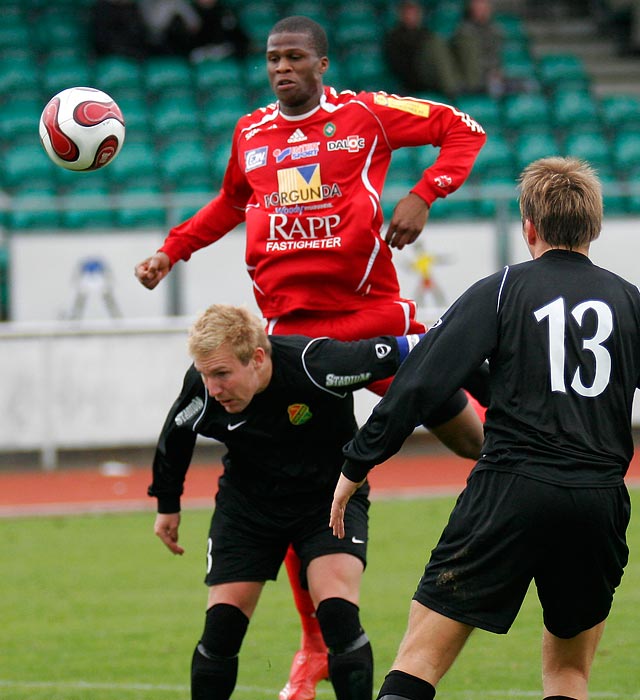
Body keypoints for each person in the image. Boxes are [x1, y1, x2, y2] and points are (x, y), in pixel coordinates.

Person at [135, 15, 486, 700]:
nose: (282, 68)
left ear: (323, 63)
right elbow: (228, 204)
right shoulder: (251, 134)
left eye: (295, 57)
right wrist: (171, 249)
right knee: (292, 489)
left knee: (469, 433)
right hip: (287, 338)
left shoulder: (366, 114)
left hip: (370, 315)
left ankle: (528, 478)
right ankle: (316, 645)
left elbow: (462, 128)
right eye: (273, 59)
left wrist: (423, 193)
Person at [330, 156, 635, 700]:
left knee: (420, 657)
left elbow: (422, 380)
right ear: (594, 226)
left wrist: (358, 461)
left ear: (529, 226)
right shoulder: (630, 303)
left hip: (510, 488)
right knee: (568, 673)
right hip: (598, 498)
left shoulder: (502, 289)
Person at [148, 303, 486, 700]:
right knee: (221, 628)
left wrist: (490, 370)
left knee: (338, 617)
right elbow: (176, 435)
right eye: (205, 375)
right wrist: (167, 504)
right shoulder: (204, 385)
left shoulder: (316, 364)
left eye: (222, 374)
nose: (213, 387)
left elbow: (413, 345)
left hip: (328, 503)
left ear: (258, 358)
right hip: (248, 508)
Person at [383, 0, 465, 99]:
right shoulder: (394, 37)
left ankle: (463, 87)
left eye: (414, 12)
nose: (411, 16)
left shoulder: (426, 33)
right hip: (414, 79)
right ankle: (453, 89)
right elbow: (399, 67)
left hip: (432, 77)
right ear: (401, 14)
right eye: (408, 12)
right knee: (436, 46)